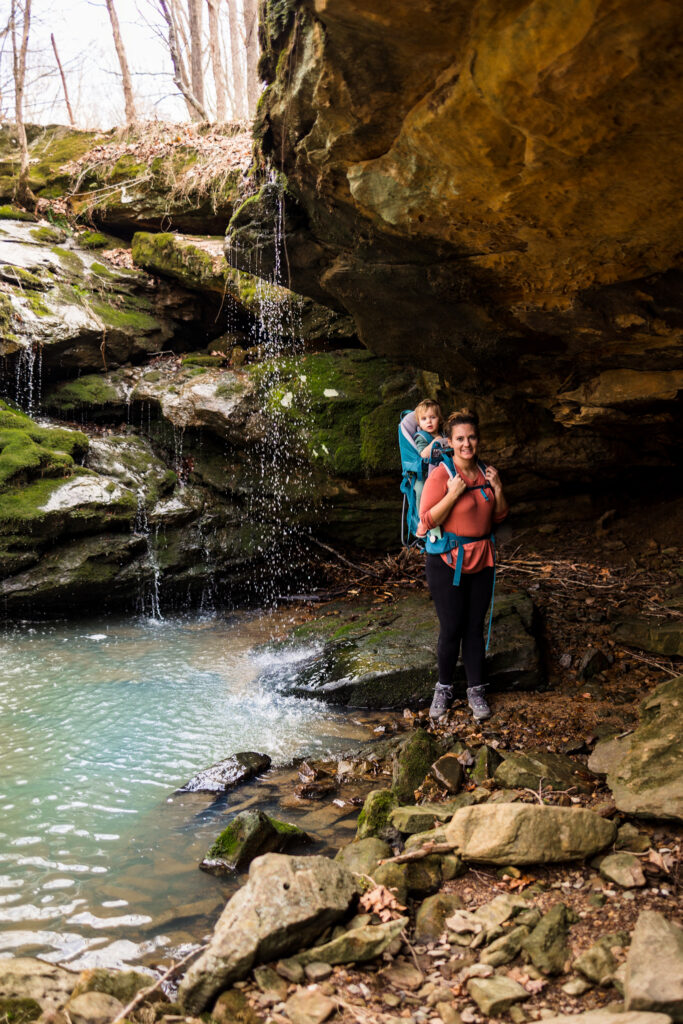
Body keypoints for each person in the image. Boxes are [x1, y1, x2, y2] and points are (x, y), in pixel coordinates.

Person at [418, 409, 509, 721]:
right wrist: (453, 493)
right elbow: (426, 519)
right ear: (450, 442)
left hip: (482, 558)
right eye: (460, 438)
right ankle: (443, 688)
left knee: (474, 627)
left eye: (471, 437)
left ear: (477, 439)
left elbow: (498, 517)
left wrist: (497, 489)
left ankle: (476, 690)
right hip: (446, 561)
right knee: (452, 627)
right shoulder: (441, 475)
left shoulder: (486, 472)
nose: (467, 443)